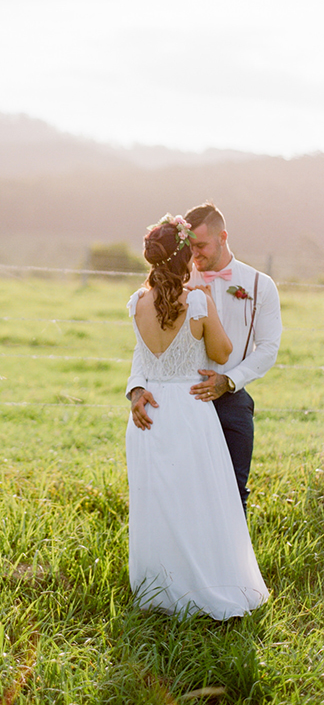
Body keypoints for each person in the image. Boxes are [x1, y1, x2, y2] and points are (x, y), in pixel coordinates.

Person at [125, 214, 269, 619]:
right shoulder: (199, 300)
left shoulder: (136, 302)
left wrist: (136, 389)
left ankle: (160, 592)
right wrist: (204, 301)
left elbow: (141, 353)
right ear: (185, 255)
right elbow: (222, 354)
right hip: (190, 411)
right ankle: (206, 585)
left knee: (158, 504)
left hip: (151, 414)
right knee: (201, 501)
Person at [128, 202, 282, 514]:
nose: (195, 254)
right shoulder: (175, 281)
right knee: (180, 494)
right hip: (180, 403)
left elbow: (268, 348)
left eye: (201, 246)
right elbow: (143, 345)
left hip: (231, 402)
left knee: (233, 494)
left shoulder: (259, 285)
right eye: (190, 247)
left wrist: (229, 380)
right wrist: (135, 388)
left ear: (223, 237)